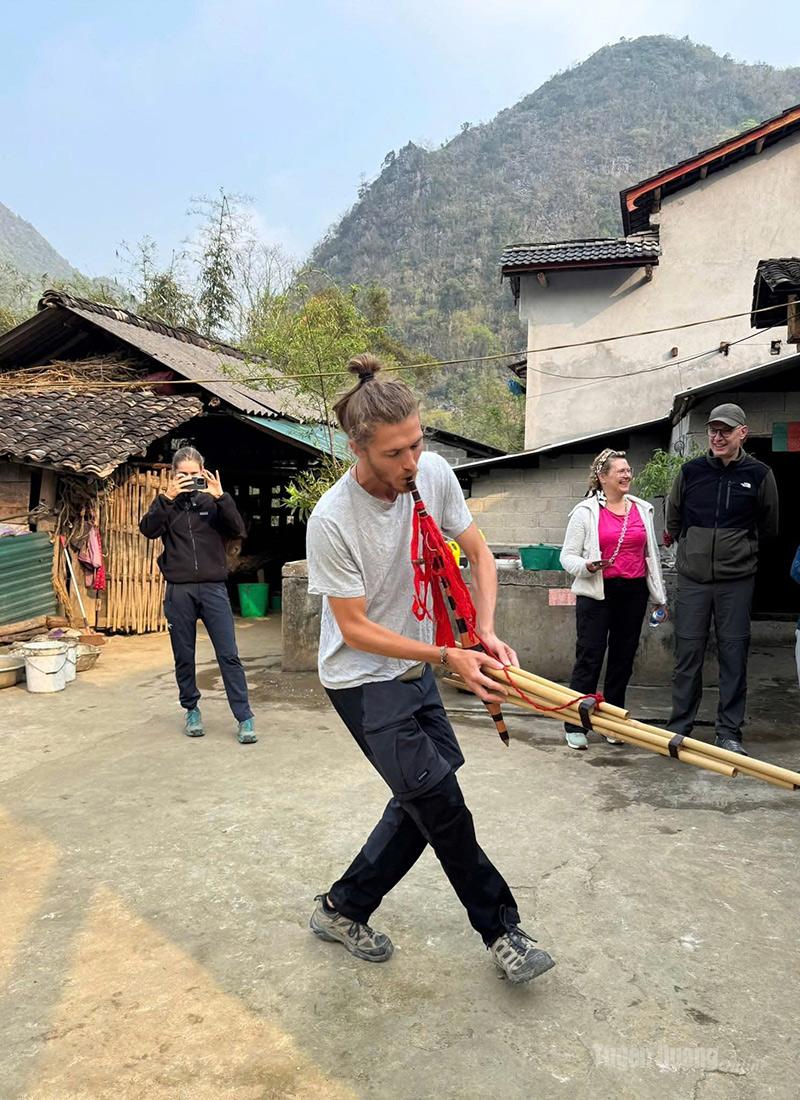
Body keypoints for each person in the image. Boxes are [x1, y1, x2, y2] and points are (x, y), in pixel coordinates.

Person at [305, 353, 555, 985]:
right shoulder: (332, 519)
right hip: (362, 682)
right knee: (441, 806)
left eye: (416, 444)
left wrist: (485, 632)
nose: (410, 463)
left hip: (416, 669)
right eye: (394, 453)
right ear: (357, 448)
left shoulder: (433, 475)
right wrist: (448, 656)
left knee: (420, 799)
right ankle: (502, 931)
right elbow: (356, 627)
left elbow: (478, 554)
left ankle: (343, 907)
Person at [664, 404, 779, 755]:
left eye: (725, 431)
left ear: (742, 433)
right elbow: (673, 519)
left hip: (736, 582)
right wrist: (692, 553)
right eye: (713, 430)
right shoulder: (691, 472)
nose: (717, 436)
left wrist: (742, 551)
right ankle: (680, 727)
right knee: (688, 655)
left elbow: (770, 527)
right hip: (694, 580)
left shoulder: (759, 475)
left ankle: (728, 731)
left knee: (733, 656)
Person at [139, 446, 256, 745]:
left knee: (229, 654)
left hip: (214, 588)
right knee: (184, 655)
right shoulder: (167, 506)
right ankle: (191, 709)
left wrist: (222, 497)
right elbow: (148, 530)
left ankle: (244, 717)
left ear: (203, 472)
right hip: (179, 591)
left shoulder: (212, 503)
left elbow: (238, 529)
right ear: (173, 474)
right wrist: (166, 498)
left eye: (194, 474)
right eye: (183, 475)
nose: (189, 480)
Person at [559, 448, 667, 750]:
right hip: (597, 593)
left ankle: (612, 721)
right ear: (602, 477)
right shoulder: (585, 512)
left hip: (633, 593)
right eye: (620, 470)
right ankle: (575, 722)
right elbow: (566, 557)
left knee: (622, 659)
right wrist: (587, 566)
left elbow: (651, 557)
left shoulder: (642, 510)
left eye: (628, 470)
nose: (627, 474)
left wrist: (659, 597)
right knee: (589, 657)